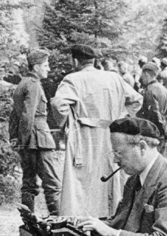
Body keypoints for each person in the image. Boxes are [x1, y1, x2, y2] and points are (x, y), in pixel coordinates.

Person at [51, 44, 143, 218]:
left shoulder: (73, 79)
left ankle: (81, 224)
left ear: (75, 60)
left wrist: (67, 121)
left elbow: (58, 104)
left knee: (83, 182)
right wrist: (121, 118)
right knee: (110, 177)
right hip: (111, 136)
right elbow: (136, 99)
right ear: (93, 60)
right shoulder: (114, 78)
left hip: (84, 136)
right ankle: (112, 219)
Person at [9, 50, 62, 215]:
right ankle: (58, 223)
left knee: (28, 184)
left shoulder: (23, 83)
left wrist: (16, 138)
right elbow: (27, 114)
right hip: (38, 139)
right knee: (52, 184)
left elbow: (14, 116)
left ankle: (28, 223)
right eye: (46, 65)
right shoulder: (33, 84)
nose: (49, 69)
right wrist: (24, 141)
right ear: (37, 66)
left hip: (28, 139)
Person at [136, 61, 167, 150]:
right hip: (161, 133)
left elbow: (155, 113)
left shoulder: (150, 90)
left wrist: (165, 128)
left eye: (142, 75)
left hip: (153, 132)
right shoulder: (164, 89)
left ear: (146, 74)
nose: (141, 78)